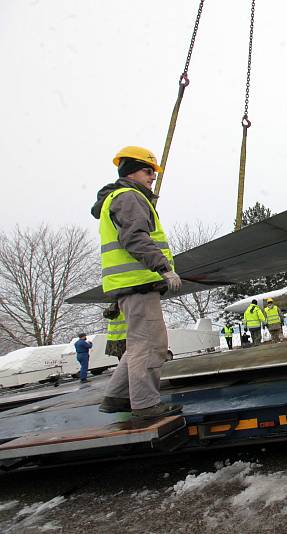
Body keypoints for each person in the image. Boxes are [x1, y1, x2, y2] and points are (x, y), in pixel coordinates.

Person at [91, 146, 183, 419]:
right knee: (151, 344)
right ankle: (145, 405)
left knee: (137, 344)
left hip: (130, 284)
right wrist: (164, 268)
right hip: (139, 283)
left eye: (154, 172)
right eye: (148, 170)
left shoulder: (117, 198)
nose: (152, 177)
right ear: (130, 169)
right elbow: (134, 238)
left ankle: (116, 397)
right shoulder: (130, 197)